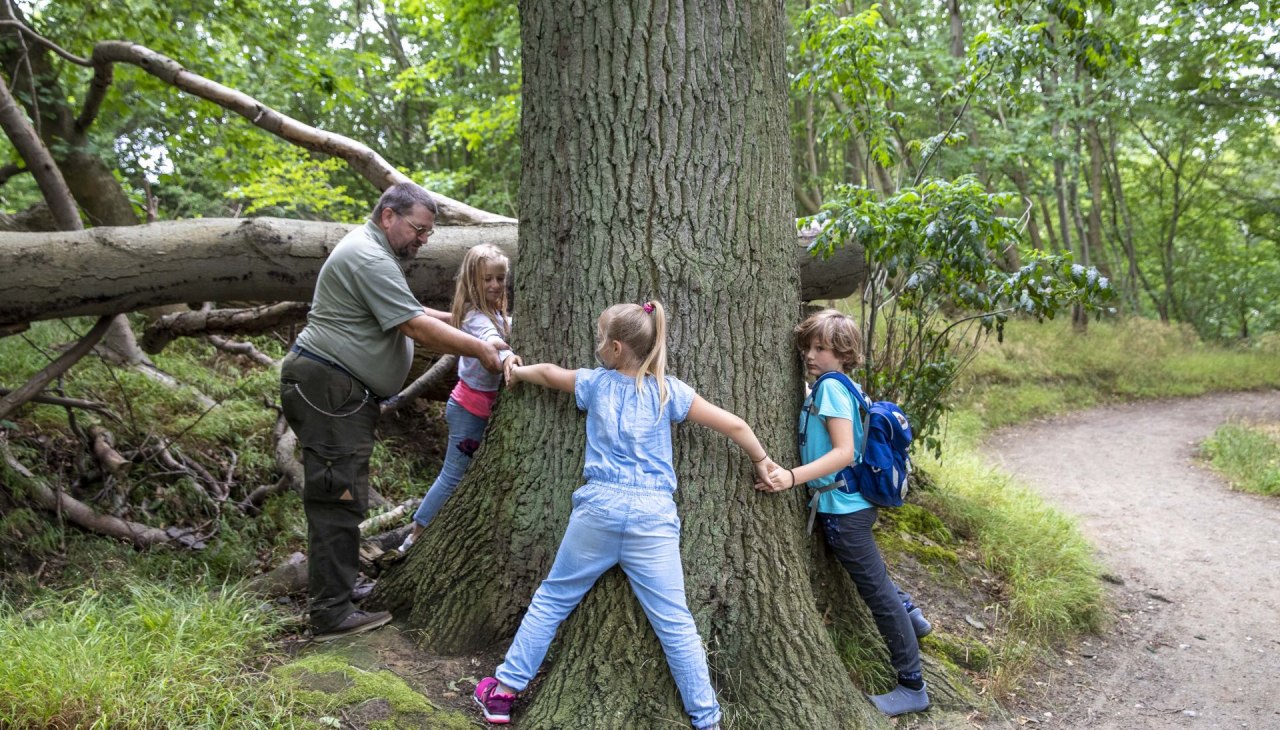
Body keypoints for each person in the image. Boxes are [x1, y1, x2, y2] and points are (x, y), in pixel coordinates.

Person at [471, 301, 778, 730]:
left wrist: (517, 370)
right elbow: (736, 426)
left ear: (616, 347)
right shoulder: (669, 391)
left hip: (599, 509)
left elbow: (547, 374)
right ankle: (707, 719)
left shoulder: (595, 384)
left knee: (553, 598)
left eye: (600, 339)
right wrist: (762, 460)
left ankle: (503, 693)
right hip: (653, 517)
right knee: (675, 622)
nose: (597, 346)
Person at [280, 182, 507, 643]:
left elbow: (410, 310)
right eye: (419, 229)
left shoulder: (374, 254)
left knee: (345, 495)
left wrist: (461, 320)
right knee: (336, 499)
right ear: (389, 216)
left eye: (428, 232)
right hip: (329, 387)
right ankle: (330, 614)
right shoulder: (367, 255)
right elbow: (412, 325)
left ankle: (340, 590)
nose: (424, 239)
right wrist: (481, 347)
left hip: (339, 390)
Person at [757, 308, 931, 717]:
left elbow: (844, 452)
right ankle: (914, 616)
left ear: (844, 353)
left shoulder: (832, 388)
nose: (812, 355)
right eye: (809, 347)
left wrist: (791, 477)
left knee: (879, 596)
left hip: (845, 511)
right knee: (875, 580)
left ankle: (913, 686)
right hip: (848, 507)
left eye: (823, 349)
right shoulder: (834, 385)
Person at [398, 244, 520, 554]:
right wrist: (506, 356)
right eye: (487, 279)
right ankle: (416, 535)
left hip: (480, 409)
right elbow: (489, 339)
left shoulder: (495, 312)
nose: (494, 285)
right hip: (469, 410)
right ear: (471, 281)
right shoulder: (474, 316)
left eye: (500, 278)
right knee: (453, 474)